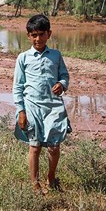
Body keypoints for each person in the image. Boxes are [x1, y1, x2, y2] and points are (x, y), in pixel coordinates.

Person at [12, 14, 70, 195]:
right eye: (34, 35)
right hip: (31, 106)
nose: (38, 39)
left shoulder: (56, 55)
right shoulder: (23, 58)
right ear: (28, 36)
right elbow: (17, 87)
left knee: (54, 146)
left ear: (49, 34)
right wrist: (21, 111)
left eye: (42, 34)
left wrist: (62, 84)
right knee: (35, 146)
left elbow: (64, 76)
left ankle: (51, 178)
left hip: (53, 106)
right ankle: (35, 184)